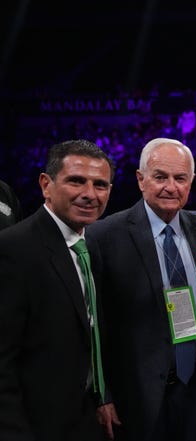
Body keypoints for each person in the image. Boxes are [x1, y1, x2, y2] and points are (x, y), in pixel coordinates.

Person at [86, 138, 196, 441]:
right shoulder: (104, 237)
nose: (170, 187)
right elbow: (93, 326)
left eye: (180, 179)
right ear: (141, 179)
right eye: (160, 177)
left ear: (191, 182)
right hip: (134, 396)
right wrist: (103, 395)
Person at [0, 140, 114, 441]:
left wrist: (102, 396)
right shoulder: (13, 250)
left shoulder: (91, 247)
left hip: (87, 419)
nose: (89, 194)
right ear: (45, 185)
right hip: (37, 427)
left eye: (100, 185)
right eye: (76, 181)